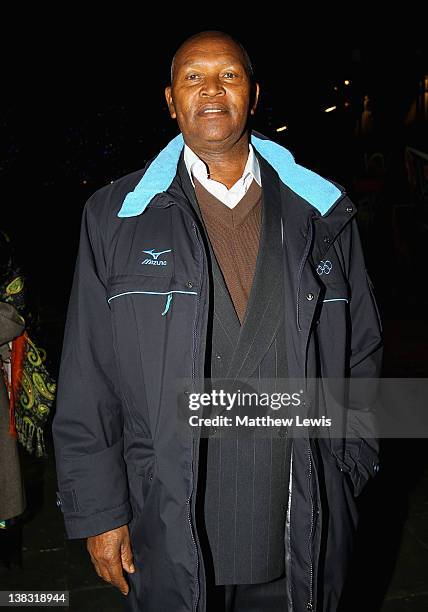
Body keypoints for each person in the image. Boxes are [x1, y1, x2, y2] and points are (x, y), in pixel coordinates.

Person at [52, 31, 383, 611]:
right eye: (193, 77)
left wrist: (347, 467)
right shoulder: (116, 216)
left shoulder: (322, 210)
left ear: (253, 96)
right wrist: (98, 510)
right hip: (171, 518)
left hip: (300, 514)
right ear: (170, 98)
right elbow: (87, 376)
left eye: (228, 76)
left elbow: (364, 352)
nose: (211, 89)